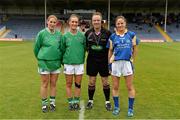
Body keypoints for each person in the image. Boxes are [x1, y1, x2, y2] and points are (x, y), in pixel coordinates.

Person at [107, 16, 139, 116]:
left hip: (127, 63)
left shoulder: (131, 35)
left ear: (125, 23)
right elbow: (110, 51)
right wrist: (109, 64)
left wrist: (132, 61)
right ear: (116, 25)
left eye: (122, 23)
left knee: (130, 86)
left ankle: (130, 109)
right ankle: (116, 107)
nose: (120, 25)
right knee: (115, 87)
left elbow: (135, 49)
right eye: (118, 23)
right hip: (115, 63)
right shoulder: (112, 36)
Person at [33, 15, 62, 113]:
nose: (52, 24)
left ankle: (52, 103)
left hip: (56, 63)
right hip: (44, 63)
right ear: (47, 22)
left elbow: (61, 48)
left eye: (54, 22)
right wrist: (41, 58)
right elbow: (36, 48)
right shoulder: (41, 33)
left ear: (56, 23)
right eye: (51, 22)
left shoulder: (59, 34)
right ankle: (44, 104)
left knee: (53, 84)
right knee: (44, 83)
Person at [85, 12, 112, 111]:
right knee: (91, 82)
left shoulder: (108, 33)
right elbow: (86, 47)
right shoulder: (88, 33)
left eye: (98, 20)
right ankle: (90, 100)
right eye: (94, 20)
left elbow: (111, 48)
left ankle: (107, 101)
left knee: (105, 82)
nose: (96, 22)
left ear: (101, 21)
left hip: (104, 61)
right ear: (92, 22)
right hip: (92, 61)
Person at [61, 14, 86, 110]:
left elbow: (84, 49)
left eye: (76, 22)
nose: (74, 23)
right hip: (68, 64)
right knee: (68, 84)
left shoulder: (82, 36)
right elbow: (62, 50)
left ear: (78, 23)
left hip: (79, 64)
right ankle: (71, 102)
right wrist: (65, 62)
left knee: (78, 84)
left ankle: (76, 102)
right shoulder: (65, 36)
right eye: (73, 22)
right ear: (69, 23)